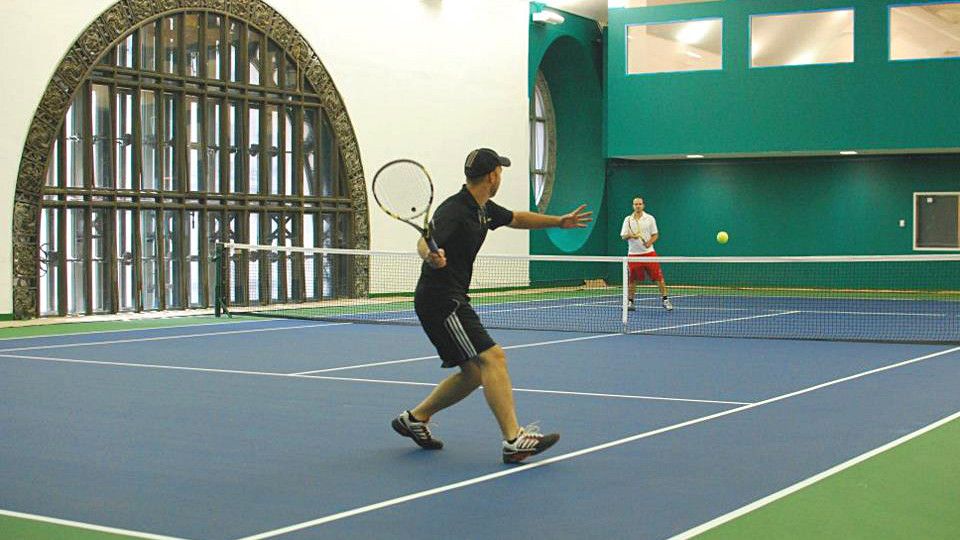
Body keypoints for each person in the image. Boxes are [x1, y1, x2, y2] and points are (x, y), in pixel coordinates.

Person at [392, 148, 592, 464]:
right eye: (501, 171)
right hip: (441, 300)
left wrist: (558, 221)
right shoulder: (455, 210)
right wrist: (429, 254)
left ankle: (415, 419)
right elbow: (425, 240)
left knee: (473, 373)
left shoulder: (482, 209)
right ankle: (514, 439)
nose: (501, 176)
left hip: (449, 298)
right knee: (493, 358)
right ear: (492, 175)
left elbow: (516, 218)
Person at [620, 197, 672, 312]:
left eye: (639, 204)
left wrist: (649, 242)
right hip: (633, 255)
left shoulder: (650, 218)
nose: (637, 206)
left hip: (649, 254)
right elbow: (623, 236)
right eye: (635, 204)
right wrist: (631, 236)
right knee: (633, 280)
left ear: (643, 205)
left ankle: (665, 300)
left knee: (659, 278)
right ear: (633, 206)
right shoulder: (628, 219)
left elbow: (655, 234)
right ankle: (631, 302)